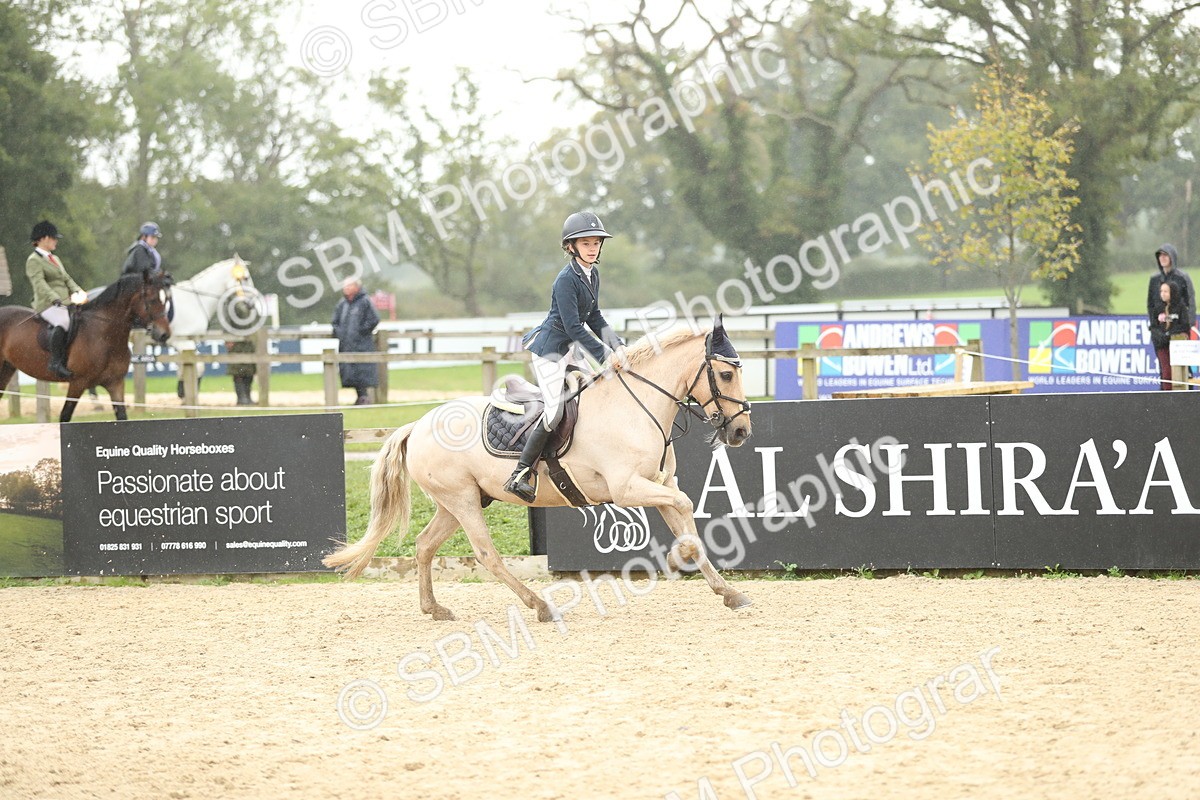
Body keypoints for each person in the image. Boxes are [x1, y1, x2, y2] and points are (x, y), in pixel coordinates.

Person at [503, 211, 625, 502]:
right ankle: (521, 472)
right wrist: (604, 355)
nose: (592, 247)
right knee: (554, 411)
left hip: (572, 349)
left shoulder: (592, 273)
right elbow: (573, 326)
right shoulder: (565, 280)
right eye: (586, 243)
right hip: (550, 352)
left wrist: (618, 346)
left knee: (596, 395)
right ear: (571, 246)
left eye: (596, 242)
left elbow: (594, 316)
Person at [25, 220, 88, 379]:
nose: (56, 241)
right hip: (47, 303)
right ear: (44, 238)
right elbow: (39, 283)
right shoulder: (33, 260)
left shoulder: (55, 258)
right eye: (54, 238)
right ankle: (55, 362)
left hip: (65, 301)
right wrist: (54, 297)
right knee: (63, 323)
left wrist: (78, 290)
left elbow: (66, 278)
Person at [1148, 243, 1193, 390]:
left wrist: (1187, 327)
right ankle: (1165, 403)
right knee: (1165, 370)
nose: (1162, 258)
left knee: (1183, 369)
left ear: (1172, 257)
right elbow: (1150, 305)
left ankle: (1186, 401)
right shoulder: (1154, 280)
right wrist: (1155, 328)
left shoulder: (1182, 278)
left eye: (1165, 255)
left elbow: (1190, 302)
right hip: (1160, 331)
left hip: (1179, 331)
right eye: (1160, 255)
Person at [331, 278, 380, 405]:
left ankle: (365, 397)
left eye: (348, 286)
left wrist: (360, 332)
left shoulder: (365, 301)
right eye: (344, 286)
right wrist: (340, 334)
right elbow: (335, 322)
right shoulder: (342, 304)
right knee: (350, 373)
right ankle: (361, 397)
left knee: (362, 371)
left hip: (361, 345)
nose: (345, 288)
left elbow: (374, 319)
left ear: (356, 287)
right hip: (346, 345)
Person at [1149, 280, 1190, 390]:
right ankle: (1166, 397)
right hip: (1162, 345)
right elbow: (1153, 326)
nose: (1163, 293)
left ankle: (1182, 398)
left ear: (1173, 292)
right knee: (1166, 372)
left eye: (1166, 291)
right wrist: (1162, 336)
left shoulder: (1180, 307)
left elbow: (1185, 325)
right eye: (1161, 291)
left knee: (1179, 373)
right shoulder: (1157, 308)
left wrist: (1170, 334)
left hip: (1177, 346)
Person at [225, 338, 257, 405]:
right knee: (238, 374)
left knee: (249, 373)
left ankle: (247, 397)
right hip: (237, 346)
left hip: (248, 346)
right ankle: (241, 398)